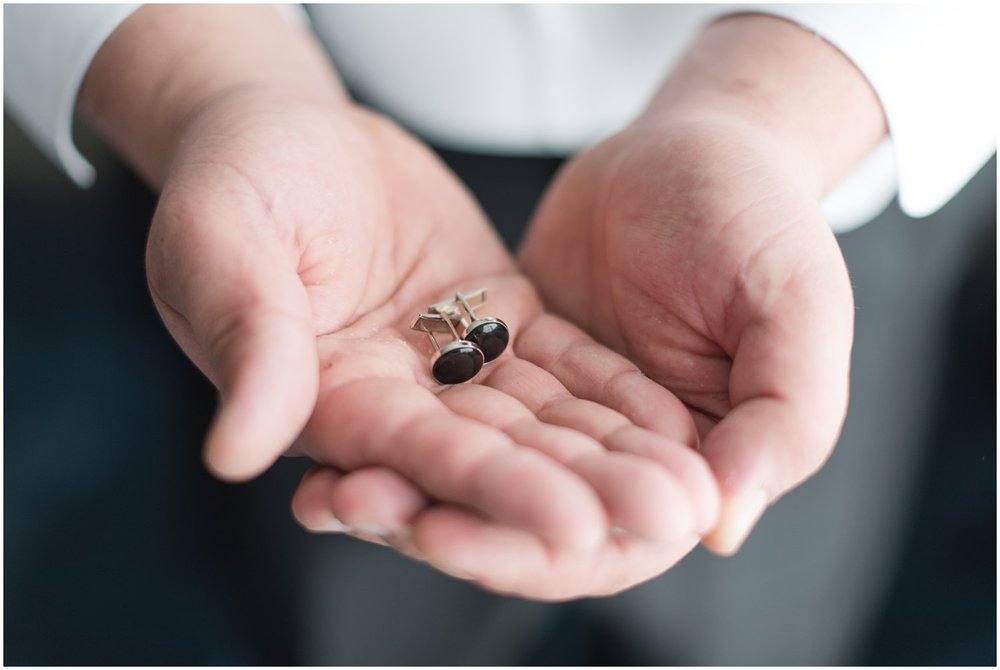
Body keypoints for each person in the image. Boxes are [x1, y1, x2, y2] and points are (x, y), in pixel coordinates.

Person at [5, 1, 995, 609]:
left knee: (757, 585)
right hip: (315, 111)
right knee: (352, 582)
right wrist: (209, 79)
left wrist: (771, 112)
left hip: (819, 152)